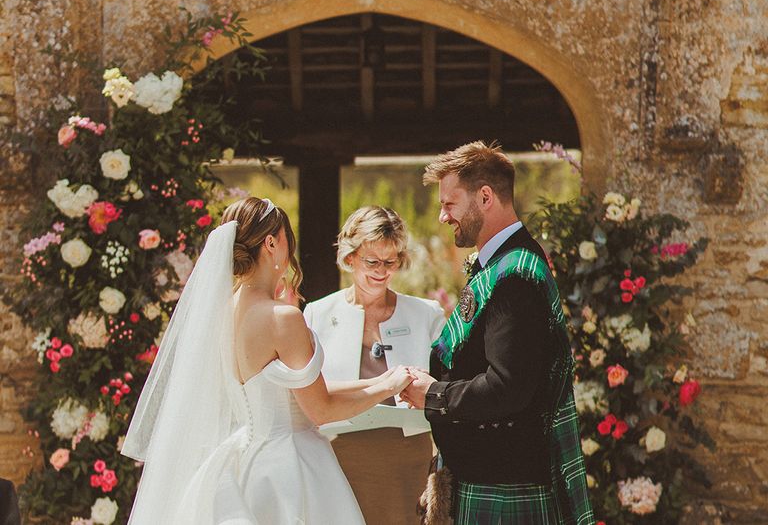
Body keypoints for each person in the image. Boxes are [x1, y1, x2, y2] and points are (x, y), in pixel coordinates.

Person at [121, 197, 412, 525]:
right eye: (288, 240)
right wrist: (386, 386)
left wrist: (380, 381)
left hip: (245, 460)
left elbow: (294, 390)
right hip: (290, 466)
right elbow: (320, 410)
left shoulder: (224, 311)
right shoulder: (282, 318)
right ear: (272, 243)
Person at [400, 142, 594, 525]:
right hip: (490, 476)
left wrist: (434, 395)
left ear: (485, 197)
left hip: (506, 486)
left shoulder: (514, 276)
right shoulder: (503, 265)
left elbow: (508, 387)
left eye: (449, 204)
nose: (442, 216)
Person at [304, 206, 446, 525]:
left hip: (410, 460)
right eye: (372, 261)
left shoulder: (426, 314)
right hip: (339, 459)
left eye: (390, 261)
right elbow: (309, 394)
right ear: (350, 257)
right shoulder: (317, 314)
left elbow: (447, 387)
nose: (382, 270)